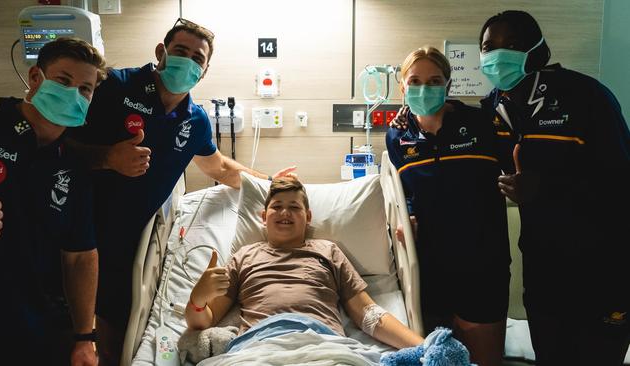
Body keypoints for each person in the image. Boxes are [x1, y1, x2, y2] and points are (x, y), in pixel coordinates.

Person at [66, 18, 296, 365]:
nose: (188, 62)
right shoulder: (114, 86)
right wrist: (107, 158)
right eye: (180, 51)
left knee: (115, 324)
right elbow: (60, 145)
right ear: (161, 52)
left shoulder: (195, 120)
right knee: (65, 324)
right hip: (79, 221)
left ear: (204, 70)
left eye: (197, 58)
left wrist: (269, 183)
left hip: (129, 238)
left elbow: (218, 167)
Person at [478, 10, 630, 366]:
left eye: (511, 45)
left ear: (538, 51)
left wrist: (547, 188)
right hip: (544, 268)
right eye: (489, 47)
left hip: (604, 267)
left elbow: (622, 179)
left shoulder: (585, 96)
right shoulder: (493, 109)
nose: (498, 55)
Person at [185, 177, 424, 352]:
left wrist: (423, 347)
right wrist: (198, 299)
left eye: (294, 207)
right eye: (277, 206)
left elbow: (368, 313)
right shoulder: (244, 256)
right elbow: (204, 321)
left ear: (308, 217)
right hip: (258, 347)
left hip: (324, 345)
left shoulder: (327, 251)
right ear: (263, 217)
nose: (284, 212)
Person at [0, 37, 105, 364]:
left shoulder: (71, 167)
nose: (73, 94)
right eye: (63, 81)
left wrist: (84, 337)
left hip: (28, 327)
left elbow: (79, 257)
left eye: (84, 89)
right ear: (36, 78)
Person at [384, 46, 510, 366]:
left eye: (434, 80)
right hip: (431, 267)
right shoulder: (398, 136)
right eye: (415, 81)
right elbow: (407, 191)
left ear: (448, 85)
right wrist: (408, 215)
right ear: (402, 87)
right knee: (441, 357)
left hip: (483, 263)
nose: (424, 89)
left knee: (484, 360)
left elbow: (515, 164)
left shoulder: (481, 123)